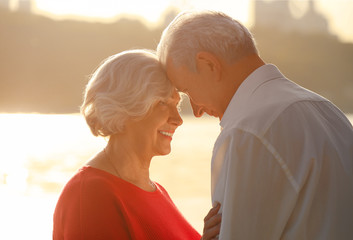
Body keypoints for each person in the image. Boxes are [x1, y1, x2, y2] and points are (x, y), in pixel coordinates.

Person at [157, 10, 353, 239]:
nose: (197, 111)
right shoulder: (329, 113)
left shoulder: (246, 133)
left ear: (209, 64)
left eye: (188, 90)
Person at [53, 49, 221, 240]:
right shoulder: (90, 194)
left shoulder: (155, 190)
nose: (178, 119)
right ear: (125, 107)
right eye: (163, 103)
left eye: (176, 105)